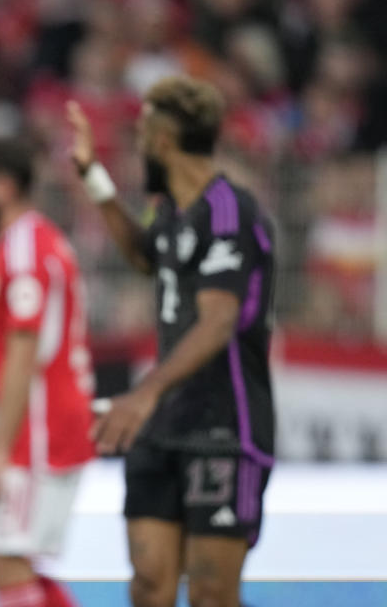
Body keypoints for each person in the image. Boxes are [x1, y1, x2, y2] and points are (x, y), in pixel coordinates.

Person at [67, 75, 276, 607]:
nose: (137, 147)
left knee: (210, 593)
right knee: (149, 586)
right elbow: (145, 256)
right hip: (163, 428)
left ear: (162, 141)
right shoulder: (170, 209)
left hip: (224, 426)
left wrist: (144, 393)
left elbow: (218, 321)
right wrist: (94, 178)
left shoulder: (230, 211)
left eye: (140, 135)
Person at [0, 139, 96, 607]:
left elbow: (24, 354)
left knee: (7, 557)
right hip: (54, 421)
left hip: (41, 429)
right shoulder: (43, 240)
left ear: (3, 187)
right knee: (13, 560)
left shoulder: (22, 251)